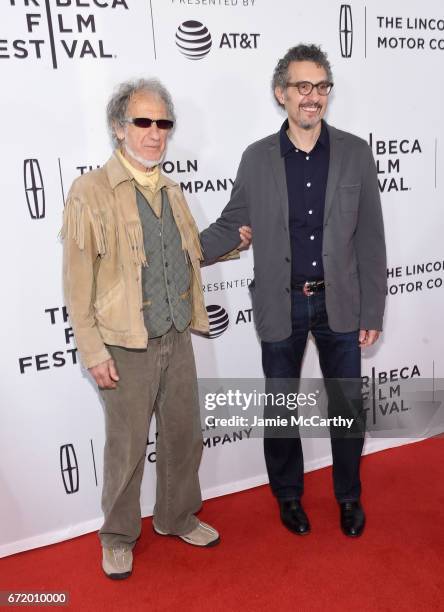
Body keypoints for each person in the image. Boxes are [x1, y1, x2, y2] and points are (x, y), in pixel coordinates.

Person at [62, 78, 250, 579]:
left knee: (183, 437)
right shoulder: (90, 192)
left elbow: (183, 255)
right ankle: (118, 536)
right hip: (124, 347)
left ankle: (175, 515)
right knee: (126, 448)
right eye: (143, 122)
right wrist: (93, 350)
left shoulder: (172, 189)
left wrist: (233, 244)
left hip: (176, 337)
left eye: (163, 123)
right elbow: (77, 286)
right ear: (118, 128)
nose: (154, 133)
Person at [200, 44, 387, 538]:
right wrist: (179, 250)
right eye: (303, 86)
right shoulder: (257, 157)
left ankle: (349, 496)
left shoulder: (355, 152)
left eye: (322, 86)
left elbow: (370, 237)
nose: (314, 96)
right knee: (280, 406)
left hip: (340, 302)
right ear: (281, 93)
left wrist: (374, 308)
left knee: (347, 408)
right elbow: (231, 224)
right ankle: (288, 495)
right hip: (280, 301)